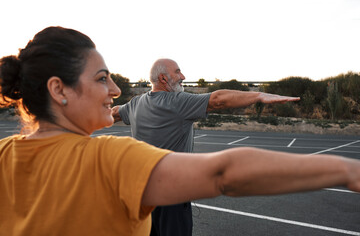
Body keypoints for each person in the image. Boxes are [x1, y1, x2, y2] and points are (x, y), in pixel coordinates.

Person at [0, 27, 359, 236]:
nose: (113, 89)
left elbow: (118, 111)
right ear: (58, 90)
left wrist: (105, 113)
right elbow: (224, 170)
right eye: (101, 78)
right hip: (163, 194)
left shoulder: (4, 155)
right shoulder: (110, 157)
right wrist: (346, 169)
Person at [111, 58, 301, 236]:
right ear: (163, 78)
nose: (183, 77)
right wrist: (259, 95)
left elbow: (114, 113)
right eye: (178, 72)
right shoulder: (177, 102)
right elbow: (218, 99)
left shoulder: (135, 104)